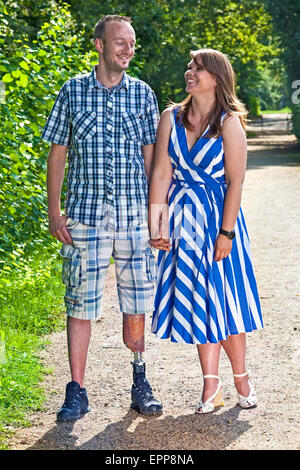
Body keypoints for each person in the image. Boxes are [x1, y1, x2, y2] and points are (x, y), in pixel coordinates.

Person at [42, 15, 163, 421]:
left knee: (136, 301)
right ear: (98, 44)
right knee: (79, 303)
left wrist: (156, 213)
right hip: (84, 217)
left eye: (132, 43)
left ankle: (139, 381)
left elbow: (152, 158)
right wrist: (53, 210)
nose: (128, 50)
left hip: (133, 218)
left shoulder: (143, 95)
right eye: (120, 43)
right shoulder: (73, 91)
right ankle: (76, 390)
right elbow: (57, 152)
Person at [149, 49, 263, 413]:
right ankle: (209, 385)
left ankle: (241, 378)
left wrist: (226, 233)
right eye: (189, 67)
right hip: (183, 220)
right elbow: (162, 173)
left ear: (216, 77)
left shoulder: (230, 122)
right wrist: (157, 224)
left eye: (197, 68)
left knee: (226, 300)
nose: (190, 72)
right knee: (200, 302)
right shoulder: (170, 117)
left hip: (217, 220)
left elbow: (235, 181)